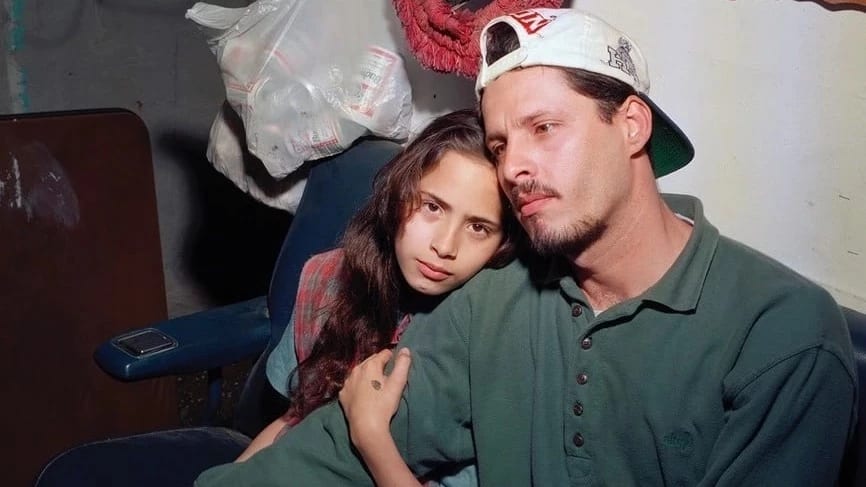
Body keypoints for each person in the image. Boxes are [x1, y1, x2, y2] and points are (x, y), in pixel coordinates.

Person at [196, 8, 857, 486]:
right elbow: (333, 453)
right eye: (502, 143)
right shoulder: (494, 298)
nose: (514, 167)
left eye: (544, 127)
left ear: (631, 125)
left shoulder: (781, 333)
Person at [233, 108, 520, 484]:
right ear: (398, 195)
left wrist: (370, 435)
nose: (445, 246)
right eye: (432, 207)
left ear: (503, 244)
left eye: (478, 227)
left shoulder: (485, 340)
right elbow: (295, 421)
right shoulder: (329, 279)